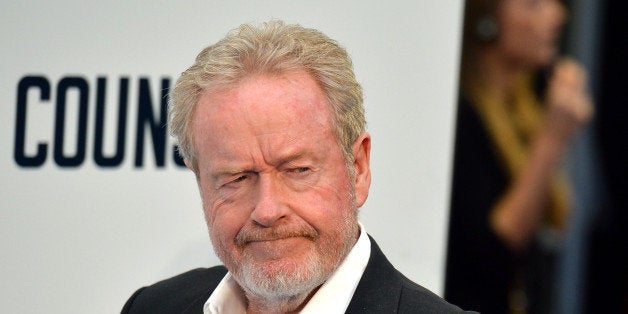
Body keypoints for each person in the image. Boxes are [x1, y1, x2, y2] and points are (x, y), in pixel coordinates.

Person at [122, 20, 471, 313]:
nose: (268, 210)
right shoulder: (154, 306)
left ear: (358, 168)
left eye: (297, 170)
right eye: (237, 178)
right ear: (201, 184)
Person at [445, 0, 593, 313]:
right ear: (488, 19)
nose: (557, 15)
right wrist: (553, 138)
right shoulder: (461, 118)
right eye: (533, 4)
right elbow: (492, 250)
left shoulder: (524, 111)